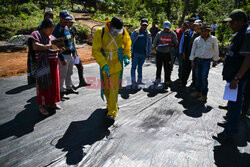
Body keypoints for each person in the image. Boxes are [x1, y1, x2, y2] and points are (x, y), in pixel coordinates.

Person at [92, 16, 131, 125]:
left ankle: (112, 113)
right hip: (105, 64)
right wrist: (103, 64)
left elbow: (127, 44)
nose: (116, 33)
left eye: (118, 31)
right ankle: (110, 105)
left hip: (117, 64)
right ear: (110, 26)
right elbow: (96, 50)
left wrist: (127, 56)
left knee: (114, 88)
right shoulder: (101, 31)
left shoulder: (123, 32)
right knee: (106, 88)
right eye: (114, 31)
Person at [218, 9, 250, 142]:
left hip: (238, 77)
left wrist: (237, 78)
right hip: (233, 75)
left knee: (236, 103)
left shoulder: (247, 34)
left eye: (232, 22)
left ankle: (230, 132)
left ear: (241, 21)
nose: (230, 25)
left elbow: (248, 59)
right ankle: (229, 125)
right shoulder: (240, 33)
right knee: (231, 102)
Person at [28, 19, 61, 115]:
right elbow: (35, 46)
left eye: (52, 29)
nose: (51, 31)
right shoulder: (36, 34)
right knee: (43, 84)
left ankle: (52, 103)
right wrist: (48, 47)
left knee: (54, 83)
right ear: (44, 27)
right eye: (50, 29)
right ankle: (41, 105)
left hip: (53, 63)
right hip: (43, 63)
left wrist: (59, 49)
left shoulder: (51, 36)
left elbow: (55, 46)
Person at [189, 23, 219, 102]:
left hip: (206, 61)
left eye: (206, 31)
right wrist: (192, 61)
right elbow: (193, 50)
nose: (204, 33)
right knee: (197, 77)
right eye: (203, 31)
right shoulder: (197, 39)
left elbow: (216, 50)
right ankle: (198, 91)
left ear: (208, 31)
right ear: (201, 31)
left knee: (203, 77)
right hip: (197, 60)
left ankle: (204, 94)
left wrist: (215, 60)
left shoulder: (213, 39)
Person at [53, 10, 78, 100]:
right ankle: (61, 91)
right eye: (65, 19)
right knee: (62, 74)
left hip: (70, 54)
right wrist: (62, 58)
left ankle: (69, 87)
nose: (67, 21)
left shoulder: (66, 28)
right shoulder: (57, 29)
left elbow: (70, 41)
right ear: (60, 18)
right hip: (63, 55)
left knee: (69, 72)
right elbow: (56, 45)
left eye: (68, 19)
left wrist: (74, 52)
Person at [27, 8, 54, 85]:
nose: (50, 16)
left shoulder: (51, 25)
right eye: (49, 14)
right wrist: (48, 46)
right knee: (41, 82)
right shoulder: (39, 29)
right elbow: (35, 45)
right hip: (39, 58)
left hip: (47, 60)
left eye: (51, 15)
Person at [68, 14, 90, 88]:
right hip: (66, 53)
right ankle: (69, 85)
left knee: (80, 66)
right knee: (68, 70)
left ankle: (82, 81)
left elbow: (72, 39)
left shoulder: (73, 28)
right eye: (70, 22)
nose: (71, 24)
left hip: (73, 51)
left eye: (72, 22)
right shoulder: (63, 29)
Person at [153, 21, 178, 88]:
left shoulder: (173, 34)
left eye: (167, 28)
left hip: (168, 53)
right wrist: (158, 43)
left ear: (170, 27)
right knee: (159, 67)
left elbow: (176, 43)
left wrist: (171, 44)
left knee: (167, 68)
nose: (166, 29)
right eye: (165, 28)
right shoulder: (159, 33)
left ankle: (167, 80)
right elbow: (155, 42)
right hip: (159, 52)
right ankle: (158, 79)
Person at [130, 18, 152, 87]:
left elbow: (149, 44)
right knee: (133, 67)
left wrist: (148, 53)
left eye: (145, 25)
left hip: (143, 54)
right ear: (140, 24)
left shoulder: (148, 33)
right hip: (135, 53)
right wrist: (131, 52)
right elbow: (131, 42)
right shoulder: (136, 32)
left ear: (148, 25)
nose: (144, 26)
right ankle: (133, 81)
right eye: (143, 25)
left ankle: (139, 81)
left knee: (140, 67)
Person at [181, 19, 202, 88]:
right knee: (186, 69)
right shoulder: (192, 33)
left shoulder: (202, 35)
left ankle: (194, 85)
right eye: (195, 26)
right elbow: (185, 44)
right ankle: (183, 82)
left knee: (195, 72)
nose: (196, 27)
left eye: (198, 26)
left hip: (196, 57)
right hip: (188, 54)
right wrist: (183, 52)